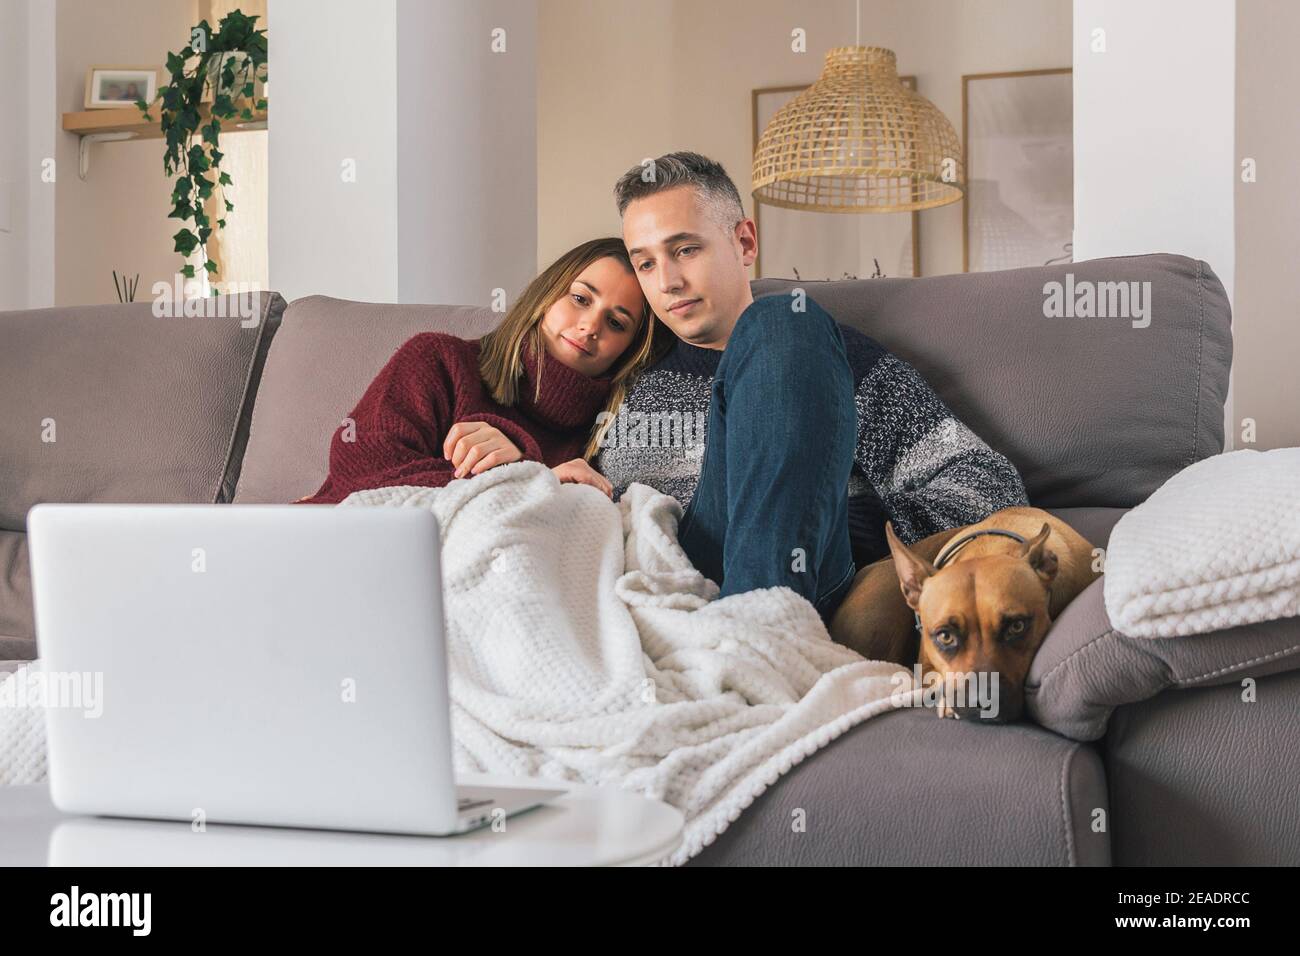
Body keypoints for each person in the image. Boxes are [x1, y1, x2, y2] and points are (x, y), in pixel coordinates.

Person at [596, 151, 1030, 625]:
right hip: (657, 580)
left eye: (685, 250)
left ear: (744, 241)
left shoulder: (834, 357)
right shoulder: (628, 362)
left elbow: (991, 489)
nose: (668, 283)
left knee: (782, 319)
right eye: (645, 263)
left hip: (801, 582)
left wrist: (835, 519)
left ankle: (755, 630)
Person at [295, 237, 661, 505]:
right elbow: (362, 473)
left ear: (629, 348)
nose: (590, 326)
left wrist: (526, 477)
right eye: (580, 298)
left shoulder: (610, 432)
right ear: (546, 295)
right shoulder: (438, 359)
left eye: (616, 323)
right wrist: (529, 478)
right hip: (343, 550)